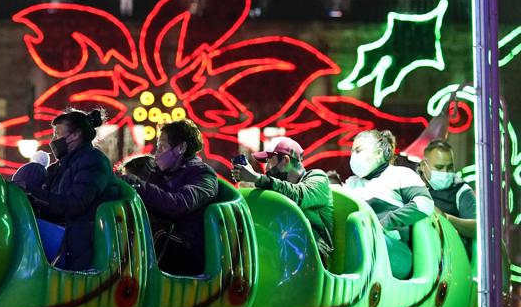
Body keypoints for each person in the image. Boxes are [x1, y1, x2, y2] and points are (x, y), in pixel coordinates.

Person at [22, 108, 121, 271]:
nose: (52, 140)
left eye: (57, 134)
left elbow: (74, 204)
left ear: (75, 135)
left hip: (79, 238)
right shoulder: (61, 166)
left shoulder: (93, 161)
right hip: (66, 232)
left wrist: (32, 193)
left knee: (21, 233)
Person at [122, 120, 218, 275]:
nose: (156, 152)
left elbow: (177, 204)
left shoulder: (202, 175)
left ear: (181, 148)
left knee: (149, 234)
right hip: (166, 237)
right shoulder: (160, 173)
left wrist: (138, 186)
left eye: (162, 147)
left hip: (187, 246)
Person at [344, 129, 434, 279]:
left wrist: (384, 224)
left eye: (358, 150)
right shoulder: (351, 183)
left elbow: (425, 204)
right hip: (358, 249)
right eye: (352, 151)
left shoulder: (401, 175)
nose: (353, 157)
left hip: (395, 251)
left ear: (379, 153)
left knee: (362, 241)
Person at [232, 137, 334, 268]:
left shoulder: (318, 178)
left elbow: (297, 196)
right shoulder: (276, 189)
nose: (266, 168)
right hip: (280, 253)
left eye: (269, 161)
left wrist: (257, 178)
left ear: (285, 160)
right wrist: (250, 185)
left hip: (315, 257)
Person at [419, 139, 476, 239]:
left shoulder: (462, 191)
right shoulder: (411, 186)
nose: (445, 172)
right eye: (439, 167)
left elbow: (478, 229)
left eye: (450, 167)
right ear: (424, 166)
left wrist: (445, 218)